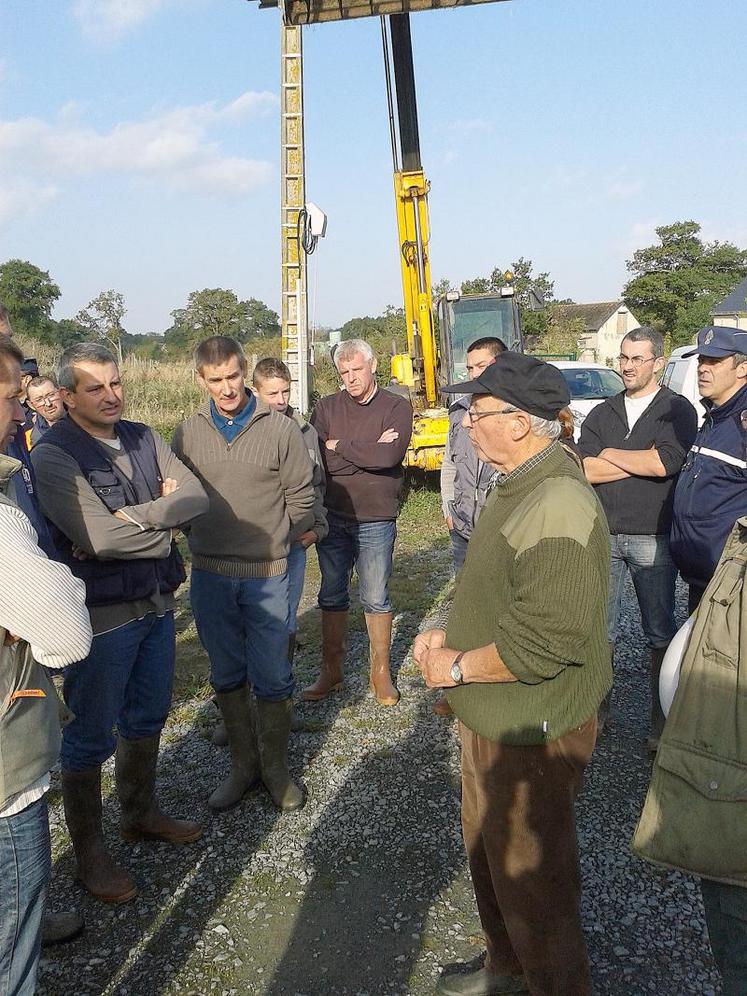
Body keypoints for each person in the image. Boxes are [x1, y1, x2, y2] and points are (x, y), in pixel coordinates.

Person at [415, 352, 611, 996]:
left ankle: (552, 983)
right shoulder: (517, 479)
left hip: (533, 724)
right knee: (490, 855)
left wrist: (456, 666)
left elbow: (544, 640)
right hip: (494, 715)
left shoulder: (556, 500)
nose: (466, 422)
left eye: (479, 411)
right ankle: (505, 967)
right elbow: (506, 592)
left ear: (522, 423)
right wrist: (454, 633)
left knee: (535, 883)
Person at [31, 343, 208, 905]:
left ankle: (140, 812)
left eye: (115, 383)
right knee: (87, 736)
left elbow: (197, 496)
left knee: (148, 713)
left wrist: (136, 519)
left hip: (156, 603)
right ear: (64, 396)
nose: (111, 396)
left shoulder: (143, 436)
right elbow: (95, 538)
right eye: (94, 388)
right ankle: (89, 854)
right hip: (102, 617)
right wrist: (163, 523)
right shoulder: (56, 454)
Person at [172, 336, 315, 813]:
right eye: (216, 380)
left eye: (233, 376)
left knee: (273, 674)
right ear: (201, 380)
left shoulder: (279, 428)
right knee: (226, 672)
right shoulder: (187, 432)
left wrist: (279, 541)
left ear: (244, 371)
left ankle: (275, 770)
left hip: (268, 574)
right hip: (210, 574)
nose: (227, 387)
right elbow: (178, 496)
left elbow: (301, 493)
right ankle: (243, 766)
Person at [0, 338, 93, 994]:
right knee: (12, 954)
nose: (18, 413)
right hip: (4, 776)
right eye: (10, 398)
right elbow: (64, 635)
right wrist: (55, 586)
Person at [578, 327, 697, 746]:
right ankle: (596, 716)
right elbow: (584, 468)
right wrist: (633, 460)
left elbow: (667, 462)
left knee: (659, 631)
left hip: (653, 536)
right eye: (623, 358)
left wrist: (609, 455)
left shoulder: (676, 410)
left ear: (658, 363)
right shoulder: (602, 412)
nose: (627, 366)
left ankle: (660, 723)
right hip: (604, 534)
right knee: (599, 630)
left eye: (636, 359)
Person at [304, 338, 413, 707]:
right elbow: (318, 460)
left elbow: (390, 456)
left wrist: (342, 446)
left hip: (376, 517)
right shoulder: (327, 407)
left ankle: (380, 672)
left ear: (373, 365)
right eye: (344, 372)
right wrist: (368, 447)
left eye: (357, 370)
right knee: (331, 594)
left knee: (375, 596)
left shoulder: (396, 407)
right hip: (334, 515)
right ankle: (330, 670)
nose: (350, 378)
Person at [250, 357, 328, 661]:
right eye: (273, 394)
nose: (281, 401)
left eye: (286, 392)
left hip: (294, 542)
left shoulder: (305, 430)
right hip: (253, 546)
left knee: (286, 616)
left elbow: (317, 484)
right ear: (255, 391)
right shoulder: (243, 433)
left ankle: (279, 686)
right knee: (254, 617)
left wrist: (318, 529)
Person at [670, 325, 747, 612]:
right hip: (704, 577)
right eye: (701, 360)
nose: (702, 368)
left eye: (714, 361)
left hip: (731, 582)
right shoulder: (716, 416)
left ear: (742, 369)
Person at [440, 336, 506, 575]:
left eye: (482, 366)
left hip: (502, 532)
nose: (474, 374)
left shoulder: (515, 412)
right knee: (466, 602)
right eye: (470, 368)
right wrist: (449, 512)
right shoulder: (458, 411)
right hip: (462, 529)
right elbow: (449, 464)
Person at [26, 375, 66, 448]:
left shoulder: (85, 418)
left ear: (61, 393)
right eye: (39, 400)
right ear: (31, 405)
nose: (48, 404)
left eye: (51, 395)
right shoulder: (31, 440)